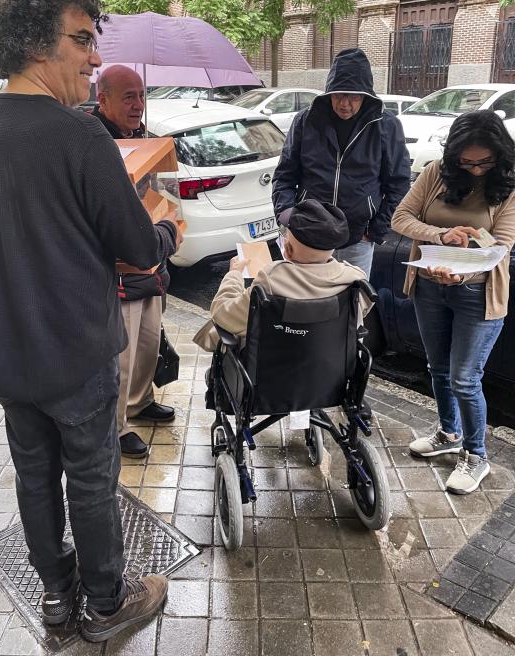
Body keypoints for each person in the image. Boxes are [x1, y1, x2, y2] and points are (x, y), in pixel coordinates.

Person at [0, 0, 182, 642]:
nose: (92, 56)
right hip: (76, 353)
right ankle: (109, 602)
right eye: (82, 39)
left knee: (32, 473)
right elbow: (140, 251)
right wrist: (167, 225)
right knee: (89, 478)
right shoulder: (80, 138)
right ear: (32, 44)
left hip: (3, 352)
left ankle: (56, 599)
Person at [391, 110, 515, 494]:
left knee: (465, 378)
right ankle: (448, 434)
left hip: (477, 293)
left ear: (499, 155)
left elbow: (502, 245)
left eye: (484, 162)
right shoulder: (435, 174)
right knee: (438, 368)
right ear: (454, 155)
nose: (476, 170)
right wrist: (442, 237)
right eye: (467, 162)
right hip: (429, 286)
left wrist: (464, 268)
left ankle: (476, 456)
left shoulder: (510, 186)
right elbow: (401, 218)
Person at [93, 65, 176, 458]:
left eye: (142, 95)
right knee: (121, 356)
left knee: (147, 344)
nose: (138, 105)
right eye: (128, 97)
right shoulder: (91, 142)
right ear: (102, 98)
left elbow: (162, 192)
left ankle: (141, 403)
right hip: (117, 268)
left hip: (152, 259)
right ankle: (117, 425)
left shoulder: (147, 138)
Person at [272, 47, 410, 278]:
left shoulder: (385, 125)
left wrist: (375, 230)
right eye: (339, 95)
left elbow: (398, 183)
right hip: (308, 236)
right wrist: (288, 215)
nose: (345, 104)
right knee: (305, 301)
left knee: (352, 304)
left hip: (357, 239)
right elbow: (285, 175)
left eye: (354, 96)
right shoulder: (306, 121)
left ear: (366, 96)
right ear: (328, 94)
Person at [193, 199, 372, 352]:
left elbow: (223, 316)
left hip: (269, 379)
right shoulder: (356, 281)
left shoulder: (271, 279)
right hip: (330, 381)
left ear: (287, 249)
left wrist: (233, 276)